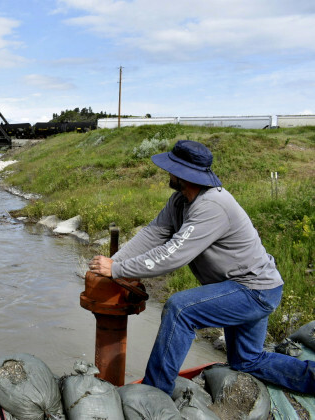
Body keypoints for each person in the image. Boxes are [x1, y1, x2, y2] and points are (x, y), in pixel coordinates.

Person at [88, 140, 315, 396]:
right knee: (247, 360)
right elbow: (153, 234)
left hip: (254, 291)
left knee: (180, 309)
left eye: (171, 168)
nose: (167, 173)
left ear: (184, 173)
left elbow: (172, 255)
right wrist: (115, 263)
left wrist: (118, 269)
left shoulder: (212, 206)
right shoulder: (180, 201)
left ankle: (153, 393)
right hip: (246, 287)